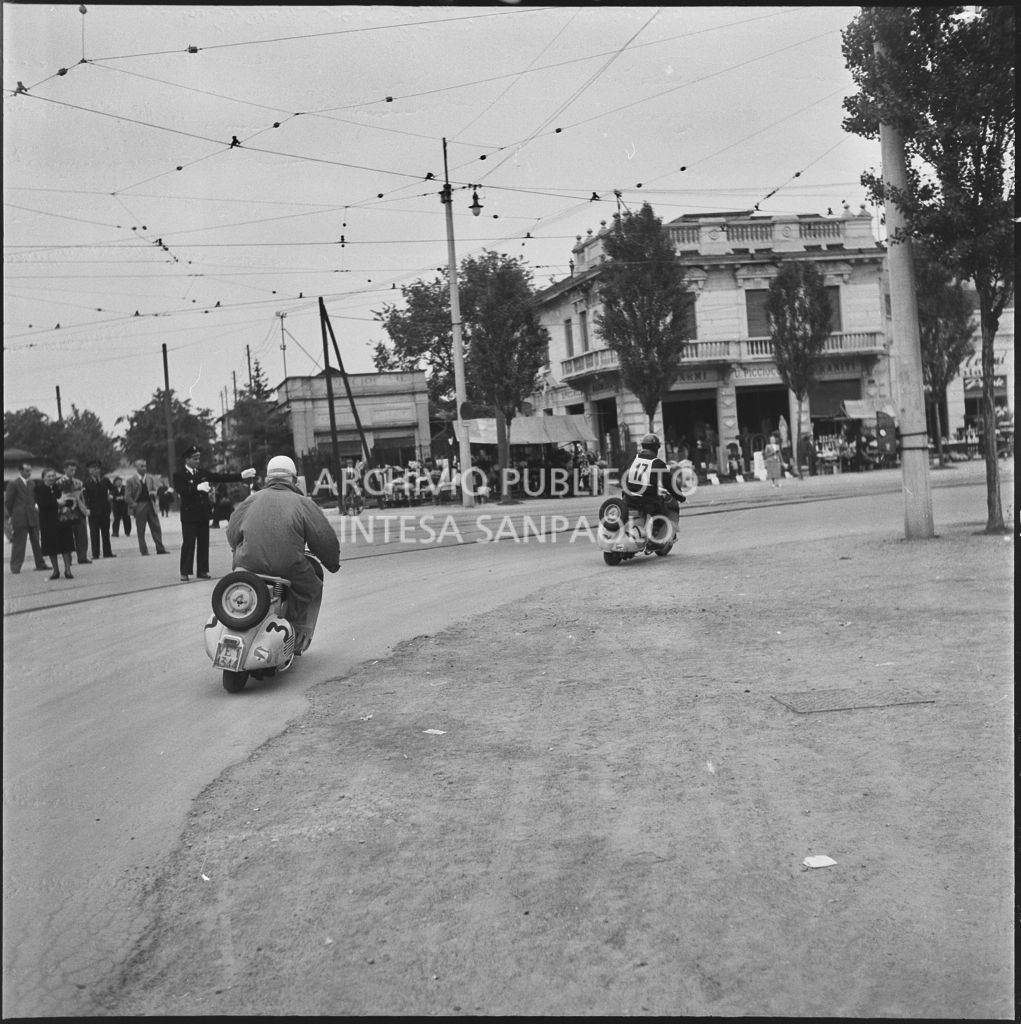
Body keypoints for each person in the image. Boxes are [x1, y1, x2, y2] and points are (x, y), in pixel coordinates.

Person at [226, 455, 340, 653]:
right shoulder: (303, 503)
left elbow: (231, 533)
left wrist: (239, 551)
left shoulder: (250, 500)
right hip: (288, 569)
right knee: (313, 585)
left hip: (246, 567)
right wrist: (332, 563)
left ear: (267, 479)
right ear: (294, 480)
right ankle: (297, 634)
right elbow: (324, 539)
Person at [172, 445, 255, 582]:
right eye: (194, 458)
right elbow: (181, 490)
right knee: (189, 543)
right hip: (189, 515)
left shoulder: (202, 473)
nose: (197, 461)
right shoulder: (179, 475)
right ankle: (185, 571)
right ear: (187, 459)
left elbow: (220, 477)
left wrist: (241, 476)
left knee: (204, 543)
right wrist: (196, 488)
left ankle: (202, 570)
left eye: (198, 458)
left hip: (203, 513)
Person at [620, 433, 686, 538]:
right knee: (663, 509)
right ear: (656, 448)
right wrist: (680, 496)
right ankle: (656, 534)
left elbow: (623, 476)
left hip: (628, 500)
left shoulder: (633, 459)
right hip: (646, 502)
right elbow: (669, 483)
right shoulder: (657, 463)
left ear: (643, 446)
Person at [4, 461, 50, 574]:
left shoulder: (32, 484)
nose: (29, 473)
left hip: (32, 516)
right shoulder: (13, 484)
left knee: (36, 541)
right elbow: (8, 502)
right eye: (27, 471)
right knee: (19, 543)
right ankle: (15, 567)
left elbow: (34, 498)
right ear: (20, 471)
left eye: (30, 470)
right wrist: (12, 514)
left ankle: (40, 563)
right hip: (20, 517)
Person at [35, 467, 77, 579]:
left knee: (66, 544)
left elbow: (69, 499)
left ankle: (68, 570)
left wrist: (65, 504)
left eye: (53, 476)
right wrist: (56, 502)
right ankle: (55, 571)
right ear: (43, 477)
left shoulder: (60, 487)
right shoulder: (39, 489)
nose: (51, 478)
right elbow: (42, 503)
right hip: (47, 521)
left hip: (62, 520)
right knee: (51, 546)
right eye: (48, 476)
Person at [125, 458, 169, 556]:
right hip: (139, 505)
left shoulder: (150, 478)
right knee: (141, 529)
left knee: (156, 527)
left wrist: (154, 492)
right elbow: (127, 496)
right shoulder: (130, 481)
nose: (144, 468)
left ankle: (160, 548)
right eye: (142, 466)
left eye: (145, 466)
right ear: (136, 468)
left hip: (150, 504)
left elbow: (155, 489)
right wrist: (134, 505)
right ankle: (144, 550)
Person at [82, 459, 116, 559]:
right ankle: (95, 553)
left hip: (105, 509)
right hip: (93, 511)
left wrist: (111, 494)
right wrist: (87, 508)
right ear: (89, 470)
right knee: (94, 533)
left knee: (106, 532)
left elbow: (113, 488)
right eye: (93, 469)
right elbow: (85, 496)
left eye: (98, 468)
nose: (96, 471)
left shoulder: (105, 480)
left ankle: (107, 552)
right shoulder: (86, 482)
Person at [60, 459, 91, 564]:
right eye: (70, 470)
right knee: (68, 535)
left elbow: (83, 496)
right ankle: (68, 559)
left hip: (78, 509)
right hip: (67, 509)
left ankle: (82, 556)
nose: (72, 472)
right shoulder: (59, 482)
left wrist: (85, 508)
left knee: (82, 534)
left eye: (74, 470)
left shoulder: (78, 482)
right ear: (65, 470)